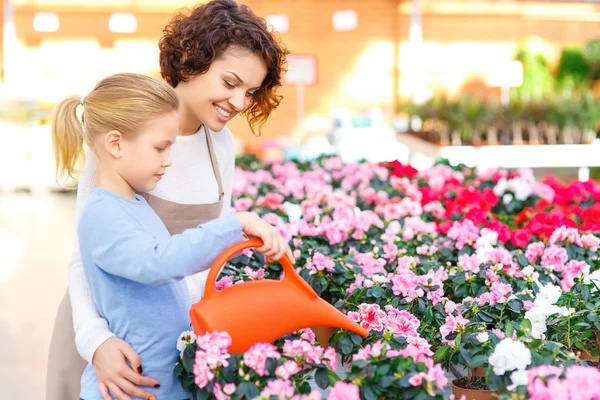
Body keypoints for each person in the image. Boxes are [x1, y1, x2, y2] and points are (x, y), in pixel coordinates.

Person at [45, 1, 289, 399]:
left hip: (172, 337)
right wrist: (95, 342)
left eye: (250, 91)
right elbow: (82, 255)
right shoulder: (126, 134)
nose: (240, 103)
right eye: (230, 83)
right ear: (192, 60)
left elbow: (208, 243)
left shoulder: (220, 144)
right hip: (110, 339)